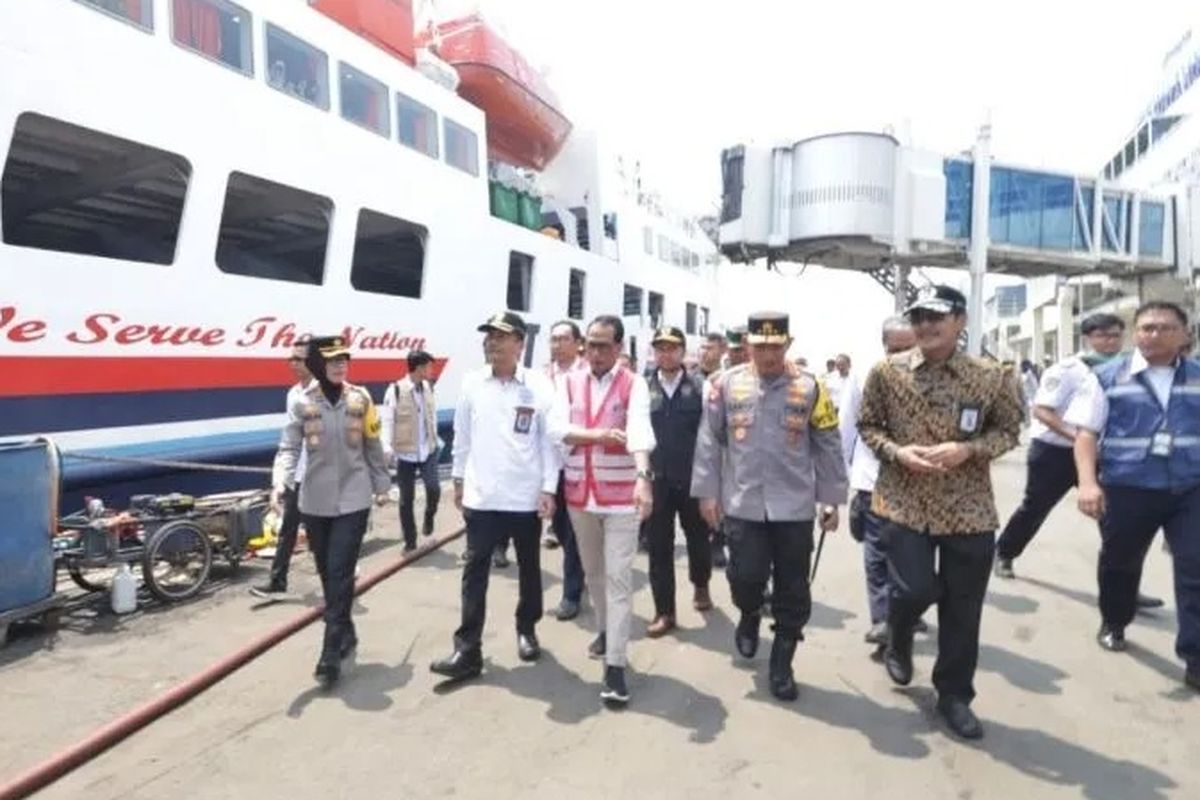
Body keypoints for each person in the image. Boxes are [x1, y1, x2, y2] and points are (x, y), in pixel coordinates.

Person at [857, 285, 1022, 739]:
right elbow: (867, 426)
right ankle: (899, 631)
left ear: (960, 322)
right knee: (912, 591)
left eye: (937, 316)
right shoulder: (886, 373)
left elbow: (1009, 431)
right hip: (904, 501)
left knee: (963, 610)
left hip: (967, 509)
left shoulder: (991, 376)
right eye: (919, 317)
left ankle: (954, 695)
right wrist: (896, 451)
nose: (926, 325)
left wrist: (968, 449)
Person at [691, 311, 847, 701]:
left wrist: (830, 499)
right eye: (759, 346)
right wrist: (707, 493)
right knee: (745, 578)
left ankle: (782, 661)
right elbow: (709, 441)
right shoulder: (724, 386)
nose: (767, 354)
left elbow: (828, 442)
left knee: (793, 589)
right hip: (743, 504)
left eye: (775, 346)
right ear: (748, 346)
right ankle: (747, 614)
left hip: (793, 509)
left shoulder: (812, 388)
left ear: (788, 344)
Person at [1066, 301, 1200, 691]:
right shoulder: (1107, 377)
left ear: (1184, 334)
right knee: (1120, 564)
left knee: (1195, 569)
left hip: (1189, 489)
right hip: (1128, 489)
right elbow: (1086, 434)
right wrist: (1088, 483)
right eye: (1145, 328)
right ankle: (1114, 621)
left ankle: (1194, 657)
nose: (1152, 334)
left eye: (1163, 327)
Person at [430, 312, 560, 682]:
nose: (492, 343)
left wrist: (549, 488)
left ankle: (527, 628)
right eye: (488, 337)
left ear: (519, 343)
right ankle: (468, 649)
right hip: (482, 497)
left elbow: (549, 443)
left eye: (501, 337)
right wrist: (457, 479)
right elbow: (462, 437)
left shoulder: (539, 386)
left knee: (530, 569)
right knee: (474, 572)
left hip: (524, 497)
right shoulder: (472, 384)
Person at [272, 336, 391, 687]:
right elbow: (289, 447)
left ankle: (329, 652)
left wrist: (382, 483)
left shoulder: (361, 398)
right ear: (318, 365)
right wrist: (280, 481)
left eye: (345, 359)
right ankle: (347, 629)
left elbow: (372, 442)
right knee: (328, 574)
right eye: (333, 360)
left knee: (340, 570)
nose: (341, 365)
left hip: (354, 499)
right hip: (315, 500)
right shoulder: (302, 403)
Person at [549, 314, 655, 706]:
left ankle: (615, 666)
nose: (594, 352)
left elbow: (639, 432)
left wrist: (643, 478)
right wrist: (598, 436)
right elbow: (557, 429)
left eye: (603, 345)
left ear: (619, 348)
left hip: (621, 498)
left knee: (618, 579)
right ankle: (607, 630)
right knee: (593, 573)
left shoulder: (634, 384)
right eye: (590, 344)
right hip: (580, 495)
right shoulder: (568, 382)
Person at [994, 315, 1134, 579]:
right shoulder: (1069, 369)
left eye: (1115, 335)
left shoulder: (1126, 369)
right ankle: (1004, 552)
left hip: (1099, 453)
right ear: (1087, 339)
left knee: (1113, 517)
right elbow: (1041, 411)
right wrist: (1079, 437)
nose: (1110, 341)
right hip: (1054, 452)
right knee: (1035, 508)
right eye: (1102, 335)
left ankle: (1122, 585)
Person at [840, 317, 927, 645]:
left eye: (909, 348)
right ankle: (882, 621)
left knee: (911, 559)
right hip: (871, 480)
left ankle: (905, 613)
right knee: (877, 553)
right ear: (884, 347)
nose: (902, 356)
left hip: (917, 484)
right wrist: (843, 482)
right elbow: (845, 429)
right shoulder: (867, 375)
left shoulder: (931, 376)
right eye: (895, 349)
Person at [644, 327, 712, 638]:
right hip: (656, 480)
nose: (666, 354)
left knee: (698, 539)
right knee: (658, 547)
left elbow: (711, 436)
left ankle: (701, 584)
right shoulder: (642, 388)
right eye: (660, 348)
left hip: (691, 479)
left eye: (672, 348)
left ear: (683, 352)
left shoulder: (701, 387)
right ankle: (664, 611)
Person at [252, 339, 312, 600]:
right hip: (302, 474)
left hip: (328, 477)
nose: (292, 364)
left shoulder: (330, 392)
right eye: (291, 358)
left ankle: (342, 571)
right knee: (289, 527)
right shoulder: (294, 395)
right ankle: (278, 581)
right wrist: (280, 482)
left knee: (326, 531)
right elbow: (290, 442)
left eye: (298, 359)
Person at [544, 320, 588, 621]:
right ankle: (583, 567)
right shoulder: (541, 377)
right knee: (558, 525)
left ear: (578, 343)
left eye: (563, 339)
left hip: (579, 461)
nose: (557, 345)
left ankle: (571, 594)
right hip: (549, 462)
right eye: (553, 339)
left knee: (573, 532)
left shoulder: (588, 375)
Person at [382, 350, 441, 554]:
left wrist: (436, 438)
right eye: (429, 367)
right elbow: (388, 420)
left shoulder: (428, 387)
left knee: (434, 489)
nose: (431, 370)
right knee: (406, 499)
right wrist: (387, 447)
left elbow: (431, 416)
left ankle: (429, 517)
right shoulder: (396, 390)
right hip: (406, 453)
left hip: (428, 450)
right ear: (419, 368)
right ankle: (410, 541)